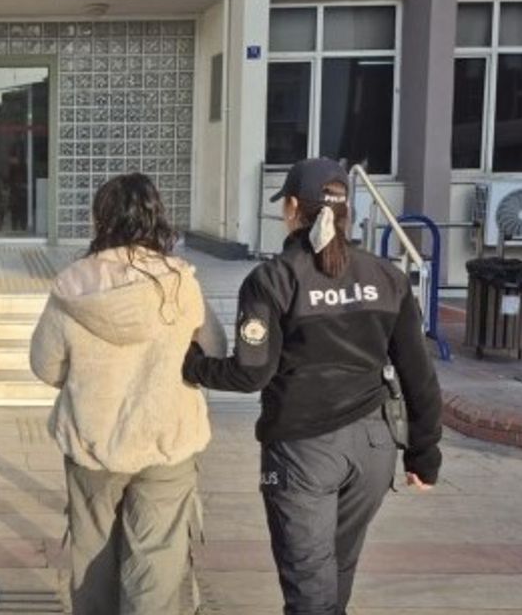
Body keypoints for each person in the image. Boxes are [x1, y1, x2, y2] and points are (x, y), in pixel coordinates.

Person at [183, 158, 443, 615]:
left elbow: (251, 373)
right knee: (334, 578)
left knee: (310, 591)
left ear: (291, 208)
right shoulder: (387, 277)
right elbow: (418, 373)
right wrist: (424, 454)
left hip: (303, 453)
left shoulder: (273, 279)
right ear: (347, 211)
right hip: (374, 448)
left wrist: (194, 365)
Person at [29, 173, 226, 615]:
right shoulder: (181, 282)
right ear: (157, 217)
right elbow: (215, 352)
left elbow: (45, 365)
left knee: (93, 559)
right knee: (156, 565)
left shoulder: (71, 286)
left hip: (92, 444)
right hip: (167, 444)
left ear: (100, 219)